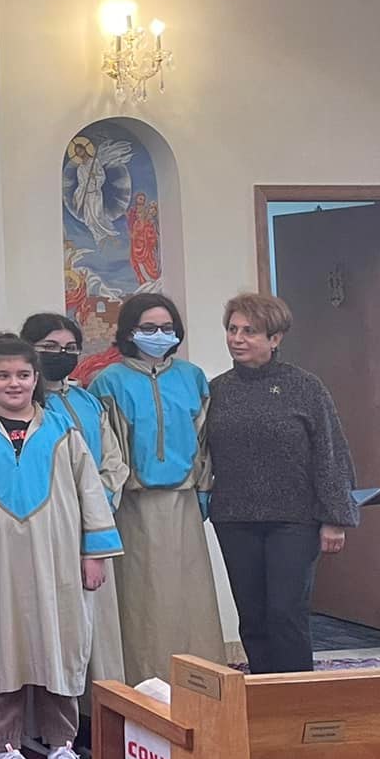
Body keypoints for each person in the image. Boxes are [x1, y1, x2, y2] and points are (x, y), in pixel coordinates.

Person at [0, 337, 121, 759]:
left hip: (58, 562)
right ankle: (7, 751)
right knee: (2, 650)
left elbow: (91, 494)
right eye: (3, 375)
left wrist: (94, 553)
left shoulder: (63, 432)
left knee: (61, 648)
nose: (13, 383)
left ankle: (61, 747)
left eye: (22, 374)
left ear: (35, 378)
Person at [205, 293, 358, 675]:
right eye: (232, 329)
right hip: (234, 518)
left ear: (275, 339)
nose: (237, 339)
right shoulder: (217, 390)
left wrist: (335, 517)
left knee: (285, 613)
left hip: (294, 520)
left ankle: (296, 701)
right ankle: (263, 695)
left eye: (250, 332)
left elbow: (331, 452)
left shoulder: (305, 387)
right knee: (252, 617)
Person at [91, 292, 226, 684]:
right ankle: (140, 680)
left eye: (166, 328)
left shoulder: (192, 377)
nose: (159, 334)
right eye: (148, 328)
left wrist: (203, 488)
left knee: (188, 595)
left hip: (184, 503)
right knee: (141, 598)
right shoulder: (108, 382)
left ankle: (197, 679)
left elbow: (204, 439)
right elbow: (107, 447)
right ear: (130, 332)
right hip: (132, 506)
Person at [21, 313, 128, 692]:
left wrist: (95, 505)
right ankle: (57, 717)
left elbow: (114, 463)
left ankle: (100, 711)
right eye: (49, 348)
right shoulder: (25, 408)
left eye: (69, 348)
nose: (60, 355)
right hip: (50, 528)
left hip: (95, 527)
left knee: (99, 623)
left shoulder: (88, 400)